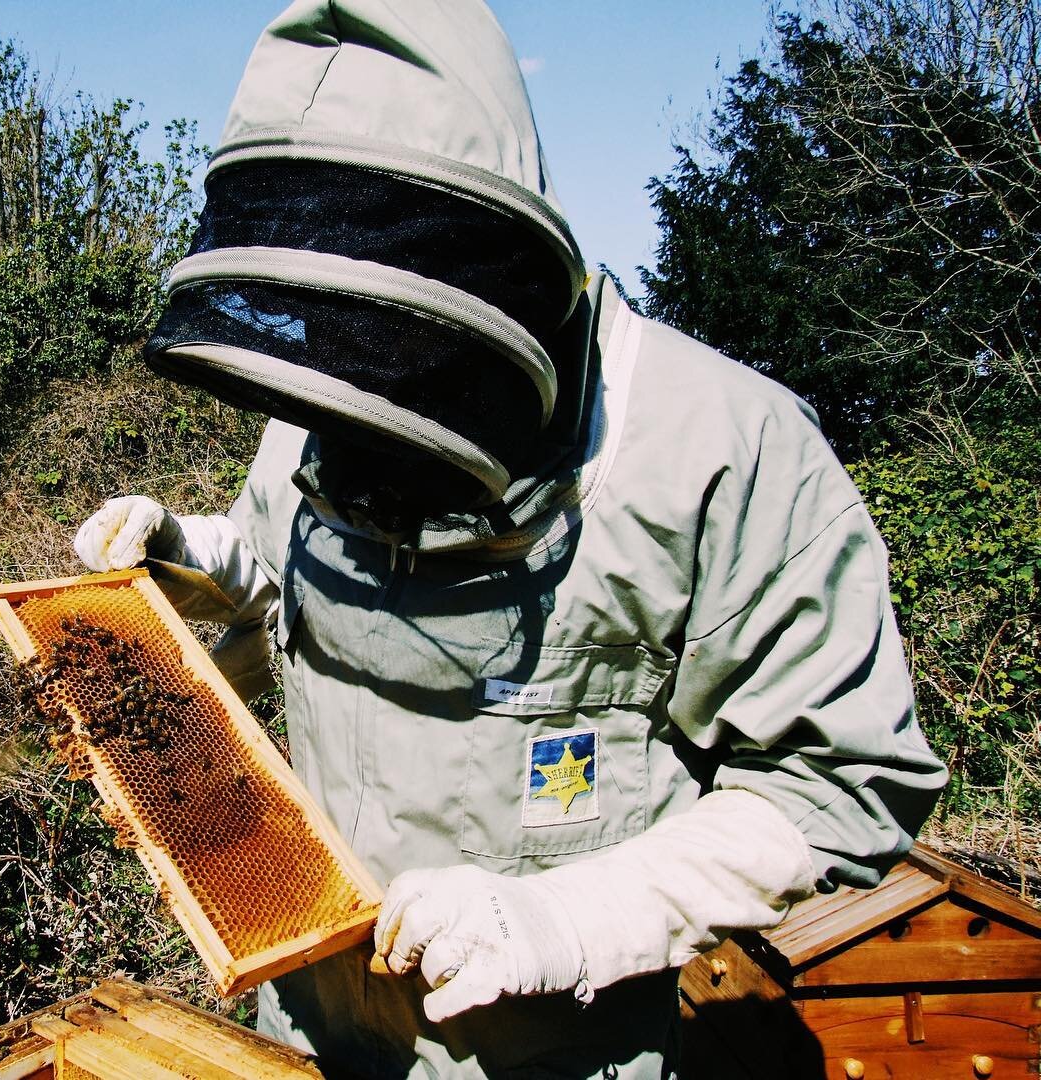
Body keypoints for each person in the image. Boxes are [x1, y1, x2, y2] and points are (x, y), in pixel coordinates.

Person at [71, 2, 948, 1076]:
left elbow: (837, 783)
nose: (364, 442)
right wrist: (192, 557)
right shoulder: (331, 393)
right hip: (311, 1031)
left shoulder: (724, 447)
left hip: (554, 1050)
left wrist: (573, 920)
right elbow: (295, 574)